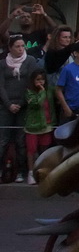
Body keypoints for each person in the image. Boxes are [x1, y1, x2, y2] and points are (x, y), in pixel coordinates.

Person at [1, 37, 39, 183]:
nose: (21, 49)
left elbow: (32, 83)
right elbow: (1, 86)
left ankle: (21, 171)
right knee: (3, 139)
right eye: (17, 46)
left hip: (24, 105)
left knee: (21, 140)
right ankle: (2, 169)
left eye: (23, 46)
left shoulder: (30, 61)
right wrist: (8, 104)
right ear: (10, 48)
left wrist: (22, 103)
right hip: (5, 106)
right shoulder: (2, 64)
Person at [23, 68, 56, 185]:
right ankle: (31, 172)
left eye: (42, 80)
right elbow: (36, 104)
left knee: (44, 151)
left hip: (46, 125)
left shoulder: (50, 90)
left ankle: (42, 172)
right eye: (37, 80)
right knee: (31, 150)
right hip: (32, 127)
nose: (40, 82)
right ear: (33, 81)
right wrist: (42, 92)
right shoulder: (29, 92)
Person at [55, 42, 79, 124]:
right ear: (75, 53)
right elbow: (58, 90)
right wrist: (65, 107)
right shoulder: (67, 69)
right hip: (70, 108)